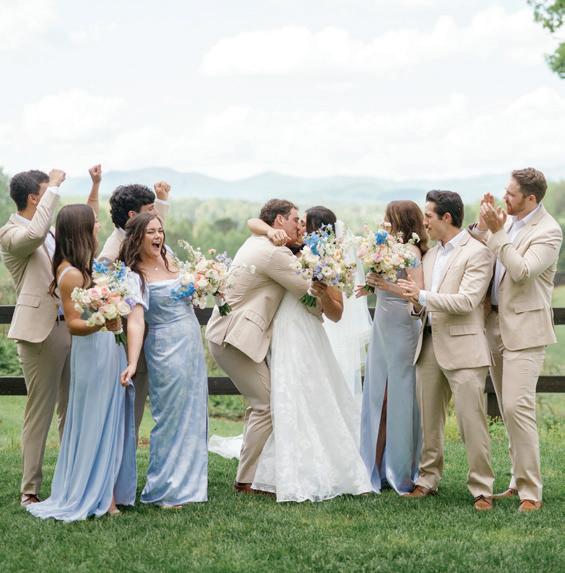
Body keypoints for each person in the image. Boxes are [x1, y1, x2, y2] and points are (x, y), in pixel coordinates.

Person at [248, 206, 373, 502]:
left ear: (318, 230)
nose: (300, 227)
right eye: (299, 222)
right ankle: (280, 469)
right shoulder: (287, 247)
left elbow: (336, 313)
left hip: (307, 330)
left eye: (305, 224)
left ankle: (316, 468)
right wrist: (271, 230)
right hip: (283, 327)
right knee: (286, 394)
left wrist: (322, 290)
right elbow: (253, 222)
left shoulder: (328, 261)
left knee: (309, 393)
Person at [27, 201, 136, 522]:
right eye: (94, 223)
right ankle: (100, 496)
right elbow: (74, 324)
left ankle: (107, 493)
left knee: (105, 419)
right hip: (92, 352)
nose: (98, 226)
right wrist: (105, 319)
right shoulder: (72, 274)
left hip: (102, 348)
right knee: (96, 420)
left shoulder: (81, 268)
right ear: (82, 230)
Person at [0, 165, 99, 507]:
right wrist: (54, 185)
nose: (53, 196)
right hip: (40, 335)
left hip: (69, 327)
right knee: (39, 412)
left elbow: (85, 227)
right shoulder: (11, 234)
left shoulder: (52, 232)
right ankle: (30, 489)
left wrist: (94, 186)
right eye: (47, 192)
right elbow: (34, 235)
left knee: (72, 409)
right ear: (34, 198)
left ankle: (70, 481)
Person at [206, 199, 317, 493]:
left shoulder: (258, 239)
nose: (298, 225)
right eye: (294, 219)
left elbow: (253, 223)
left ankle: (250, 473)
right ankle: (245, 481)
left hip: (229, 333)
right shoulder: (275, 253)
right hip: (234, 338)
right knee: (266, 405)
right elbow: (308, 291)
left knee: (260, 403)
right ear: (279, 220)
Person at [470, 168, 562, 512]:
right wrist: (485, 225)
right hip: (493, 324)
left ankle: (531, 492)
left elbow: (522, 271)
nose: (504, 197)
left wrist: (496, 232)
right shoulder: (507, 222)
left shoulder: (549, 231)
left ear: (531, 198)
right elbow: (488, 248)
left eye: (510, 194)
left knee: (515, 407)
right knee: (508, 410)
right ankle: (515, 481)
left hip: (525, 330)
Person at [398, 190, 495, 511]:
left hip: (464, 348)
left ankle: (482, 488)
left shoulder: (477, 253)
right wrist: (415, 304)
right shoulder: (428, 256)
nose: (424, 221)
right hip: (427, 346)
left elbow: (467, 301)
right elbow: (420, 303)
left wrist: (421, 296)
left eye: (428, 215)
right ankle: (427, 479)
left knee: (471, 422)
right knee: (429, 421)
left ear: (447, 217)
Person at [120, 213, 208, 507]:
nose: (158, 236)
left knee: (193, 412)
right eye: (151, 232)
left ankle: (191, 485)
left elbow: (187, 295)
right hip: (164, 346)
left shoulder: (170, 258)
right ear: (137, 238)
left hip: (191, 340)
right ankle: (164, 489)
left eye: (160, 231)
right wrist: (133, 362)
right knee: (169, 416)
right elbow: (135, 321)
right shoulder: (134, 275)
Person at [358, 200, 427, 495]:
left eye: (389, 218)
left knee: (396, 395)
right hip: (383, 325)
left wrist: (385, 286)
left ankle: (397, 468)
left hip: (402, 325)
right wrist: (371, 285)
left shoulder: (411, 252)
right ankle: (372, 466)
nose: (384, 222)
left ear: (400, 220)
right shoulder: (387, 249)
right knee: (377, 392)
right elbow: (386, 280)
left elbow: (417, 293)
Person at [99, 181, 171, 438]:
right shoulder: (111, 252)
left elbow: (156, 228)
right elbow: (106, 298)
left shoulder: (142, 234)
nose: (155, 216)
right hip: (129, 340)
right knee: (131, 404)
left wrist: (163, 199)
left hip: (157, 335)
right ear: (133, 215)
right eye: (150, 209)